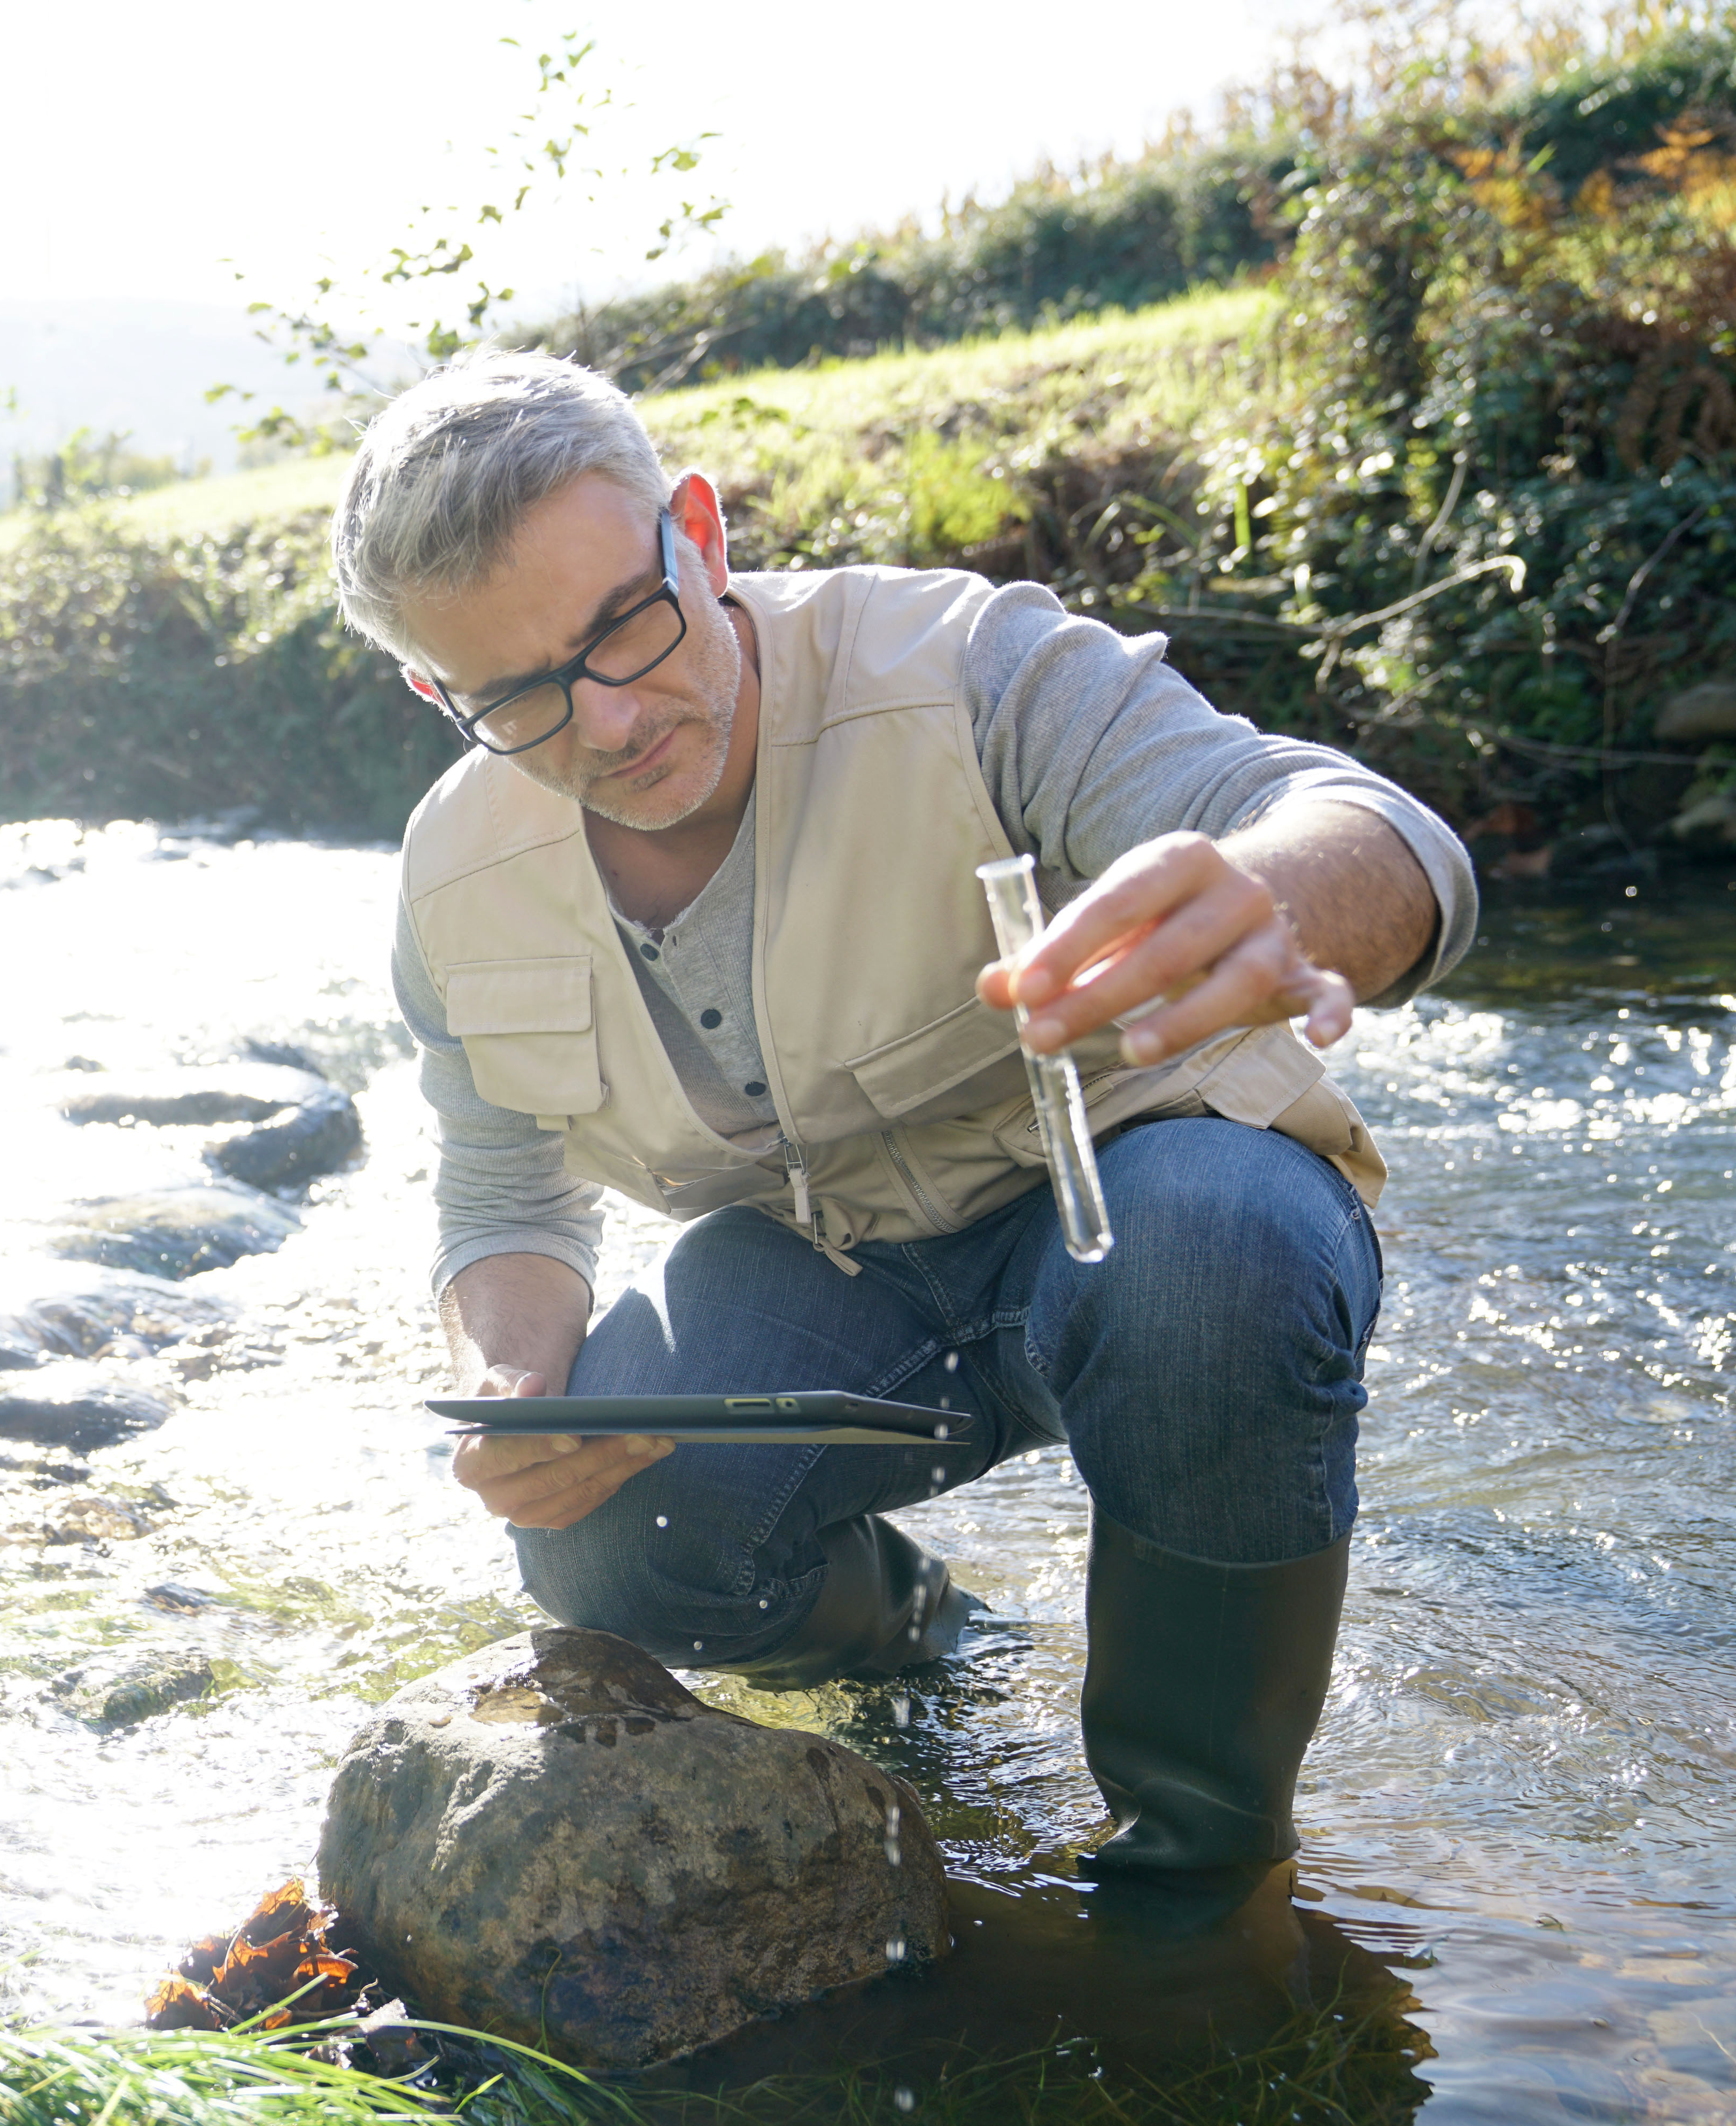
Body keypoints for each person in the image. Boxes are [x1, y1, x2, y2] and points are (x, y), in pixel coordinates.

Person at [343, 350, 1476, 1886]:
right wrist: (513, 1372)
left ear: (699, 529)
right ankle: (915, 1642)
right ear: (432, 692)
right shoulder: (448, 882)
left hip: (1137, 1198)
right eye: (523, 695)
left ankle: (1197, 1871)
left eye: (624, 623)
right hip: (831, 1286)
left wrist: (1272, 894)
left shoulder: (961, 665)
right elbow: (501, 1199)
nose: (606, 720)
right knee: (601, 1544)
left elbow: (1381, 835)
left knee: (1212, 1261)